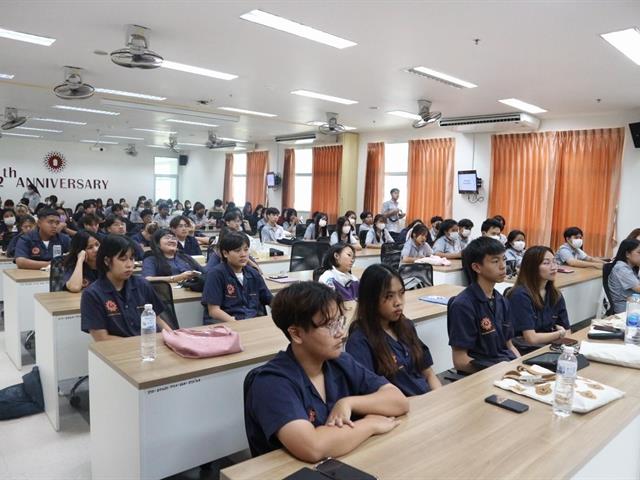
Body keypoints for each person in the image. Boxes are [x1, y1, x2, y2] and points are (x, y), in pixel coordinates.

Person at [244, 281, 408, 461]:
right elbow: (312, 447)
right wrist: (370, 424)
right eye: (329, 325)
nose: (341, 333)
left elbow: (399, 401)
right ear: (296, 334)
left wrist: (348, 403)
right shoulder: (271, 382)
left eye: (340, 322)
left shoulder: (339, 361)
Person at [346, 264, 441, 395]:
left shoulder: (406, 326)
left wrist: (440, 397)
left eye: (401, 293)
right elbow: (368, 395)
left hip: (426, 401)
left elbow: (428, 373)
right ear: (371, 299)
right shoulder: (359, 341)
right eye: (389, 296)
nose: (398, 302)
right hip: (399, 411)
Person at [448, 237, 520, 373]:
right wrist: (497, 371)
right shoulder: (463, 305)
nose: (503, 266)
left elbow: (510, 347)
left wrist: (520, 368)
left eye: (503, 259)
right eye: (495, 261)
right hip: (483, 374)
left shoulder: (502, 300)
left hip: (507, 369)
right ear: (476, 267)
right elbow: (460, 360)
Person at [80, 235, 172, 341]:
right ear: (107, 261)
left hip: (150, 347)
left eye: (132, 259)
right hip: (119, 352)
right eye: (123, 259)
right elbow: (101, 338)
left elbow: (157, 320)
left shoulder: (143, 285)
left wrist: (172, 338)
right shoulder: (92, 294)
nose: (129, 265)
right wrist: (140, 343)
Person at [203, 232, 272, 323]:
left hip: (253, 322)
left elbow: (269, 299)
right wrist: (236, 323)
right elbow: (214, 311)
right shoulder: (216, 274)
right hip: (227, 325)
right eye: (237, 250)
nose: (243, 254)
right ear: (225, 253)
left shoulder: (253, 273)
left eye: (246, 250)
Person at [506, 246, 570, 345]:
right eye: (546, 263)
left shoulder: (555, 294)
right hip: (525, 349)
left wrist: (562, 333)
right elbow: (531, 339)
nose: (554, 267)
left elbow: (568, 331)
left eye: (554, 261)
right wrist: (560, 333)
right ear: (532, 267)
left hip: (550, 345)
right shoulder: (520, 295)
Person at [608, 238, 640, 314]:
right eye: (639, 252)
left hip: (634, 303)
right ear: (627, 254)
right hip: (625, 309)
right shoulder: (621, 268)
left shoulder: (630, 267)